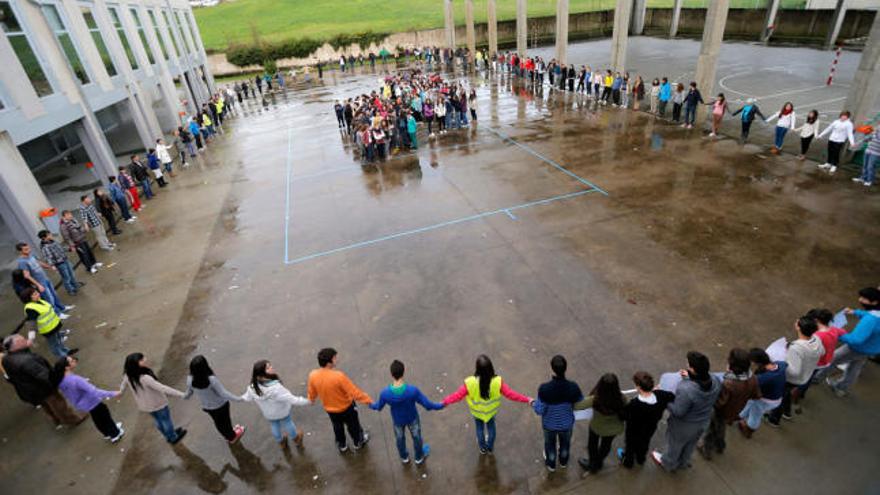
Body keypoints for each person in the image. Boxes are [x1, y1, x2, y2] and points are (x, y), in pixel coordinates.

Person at [443, 354, 532, 454]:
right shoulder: (498, 382)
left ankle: (482, 448)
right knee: (491, 429)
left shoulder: (469, 382)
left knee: (479, 429)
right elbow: (512, 395)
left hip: (477, 413)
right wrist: (527, 399)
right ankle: (490, 448)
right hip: (491, 412)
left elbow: (457, 395)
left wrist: (445, 402)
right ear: (491, 367)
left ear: (477, 368)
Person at [651, 351, 721, 472]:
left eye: (689, 365)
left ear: (693, 369)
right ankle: (683, 462)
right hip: (703, 421)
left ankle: (668, 462)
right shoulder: (715, 380)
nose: (687, 366)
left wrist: (663, 398)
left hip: (684, 426)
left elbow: (678, 411)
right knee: (690, 444)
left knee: (674, 445)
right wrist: (690, 377)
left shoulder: (686, 389)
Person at [2, 334, 86, 427]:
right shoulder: (27, 360)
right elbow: (44, 375)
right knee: (58, 403)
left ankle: (56, 420)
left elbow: (11, 376)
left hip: (29, 390)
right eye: (23, 340)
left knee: (46, 405)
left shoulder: (6, 358)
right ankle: (72, 419)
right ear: (17, 345)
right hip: (42, 388)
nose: (26, 340)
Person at [370, 360, 443, 464]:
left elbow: (378, 407)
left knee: (400, 439)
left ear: (391, 374)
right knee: (417, 437)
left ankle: (404, 457)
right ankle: (418, 457)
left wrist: (369, 403)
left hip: (397, 421)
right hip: (412, 418)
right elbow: (428, 405)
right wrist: (441, 404)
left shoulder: (385, 393)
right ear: (403, 372)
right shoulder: (412, 390)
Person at [697, 348, 760, 460]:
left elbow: (720, 403)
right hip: (737, 409)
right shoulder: (753, 378)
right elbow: (756, 395)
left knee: (712, 430)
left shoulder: (728, 383)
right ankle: (720, 446)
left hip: (722, 412)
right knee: (721, 427)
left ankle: (706, 449)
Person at [307, 348, 373, 452]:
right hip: (347, 408)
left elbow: (312, 392)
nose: (337, 359)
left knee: (337, 427)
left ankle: (342, 445)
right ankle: (358, 442)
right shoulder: (338, 376)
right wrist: (367, 400)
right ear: (330, 362)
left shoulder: (313, 375)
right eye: (335, 358)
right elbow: (354, 392)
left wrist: (311, 399)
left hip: (330, 410)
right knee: (354, 426)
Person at [822, 287, 880, 397]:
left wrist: (836, 333)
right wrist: (855, 312)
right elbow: (872, 313)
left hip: (858, 348)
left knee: (832, 358)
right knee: (855, 367)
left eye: (864, 299)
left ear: (875, 302)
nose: (860, 300)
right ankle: (841, 387)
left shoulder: (871, 320)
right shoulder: (875, 314)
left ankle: (816, 378)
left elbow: (855, 340)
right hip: (873, 348)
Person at [766, 316, 823, 425]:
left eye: (798, 322)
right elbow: (822, 352)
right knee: (787, 394)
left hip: (792, 379)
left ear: (798, 327)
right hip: (806, 375)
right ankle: (787, 412)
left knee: (781, 396)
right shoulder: (817, 339)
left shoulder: (796, 348)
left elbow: (793, 371)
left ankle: (774, 419)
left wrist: (777, 364)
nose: (796, 321)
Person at [54, 354, 125, 443]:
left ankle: (107, 433)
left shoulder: (61, 380)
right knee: (104, 416)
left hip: (82, 404)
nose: (74, 360)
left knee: (97, 418)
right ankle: (115, 433)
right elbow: (95, 391)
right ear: (66, 368)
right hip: (92, 401)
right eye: (71, 361)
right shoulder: (75, 380)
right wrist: (113, 394)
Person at [120, 353, 187, 444]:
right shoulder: (145, 378)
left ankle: (168, 435)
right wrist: (181, 394)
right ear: (137, 364)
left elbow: (123, 386)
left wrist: (120, 392)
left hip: (145, 406)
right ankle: (173, 437)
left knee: (158, 420)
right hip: (158, 403)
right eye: (142, 359)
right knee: (165, 420)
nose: (145, 359)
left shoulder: (128, 374)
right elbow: (163, 388)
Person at [531, 355, 583, 472]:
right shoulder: (573, 387)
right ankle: (563, 462)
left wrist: (534, 403)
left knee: (550, 446)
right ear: (566, 368)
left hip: (549, 426)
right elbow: (580, 402)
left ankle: (551, 465)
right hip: (566, 424)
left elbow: (539, 410)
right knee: (565, 445)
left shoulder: (544, 389)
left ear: (552, 369)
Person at [242, 360, 308, 447]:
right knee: (288, 422)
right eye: (268, 368)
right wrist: (308, 401)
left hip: (268, 413)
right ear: (262, 373)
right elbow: (292, 399)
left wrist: (237, 398)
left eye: (270, 366)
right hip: (282, 411)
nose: (271, 367)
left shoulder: (252, 387)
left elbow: (246, 398)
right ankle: (296, 438)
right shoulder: (276, 388)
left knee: (274, 425)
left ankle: (281, 442)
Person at [184, 355, 246, 444]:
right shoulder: (211, 379)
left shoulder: (190, 379)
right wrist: (239, 399)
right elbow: (223, 393)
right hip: (221, 405)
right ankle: (232, 437)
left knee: (218, 423)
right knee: (226, 421)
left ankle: (227, 435)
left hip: (207, 407)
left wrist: (184, 396)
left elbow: (189, 392)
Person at [617, 372, 674, 468]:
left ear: (638, 387)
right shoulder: (661, 396)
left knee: (630, 446)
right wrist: (657, 391)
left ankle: (628, 462)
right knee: (645, 443)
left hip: (634, 431)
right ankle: (641, 459)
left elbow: (623, 416)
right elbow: (671, 396)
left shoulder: (635, 404)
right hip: (650, 428)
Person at [576, 373, 626, 474]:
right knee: (606, 445)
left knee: (592, 445)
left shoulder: (595, 399)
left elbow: (577, 406)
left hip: (597, 428)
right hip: (614, 429)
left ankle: (592, 464)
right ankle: (599, 462)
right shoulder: (622, 398)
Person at [737, 349, 787, 437]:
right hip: (776, 397)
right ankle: (741, 415)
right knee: (750, 403)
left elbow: (747, 386)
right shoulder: (780, 364)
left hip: (765, 401)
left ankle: (749, 430)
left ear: (757, 363)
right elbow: (786, 364)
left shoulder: (763, 378)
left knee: (755, 415)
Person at [16, 242, 71, 317]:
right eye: (26, 249)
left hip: (45, 279)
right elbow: (27, 276)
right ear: (20, 251)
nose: (28, 250)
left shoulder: (31, 255)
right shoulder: (22, 262)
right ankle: (57, 314)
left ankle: (62, 308)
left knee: (54, 294)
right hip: (40, 283)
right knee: (49, 299)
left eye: (28, 248)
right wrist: (38, 285)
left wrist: (50, 266)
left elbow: (39, 263)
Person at [20, 287, 72, 358]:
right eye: (35, 294)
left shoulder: (39, 301)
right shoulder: (30, 309)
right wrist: (31, 338)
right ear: (29, 298)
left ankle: (66, 351)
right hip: (48, 330)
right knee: (54, 345)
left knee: (59, 340)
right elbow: (32, 323)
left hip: (55, 325)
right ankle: (63, 357)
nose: (38, 294)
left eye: (37, 292)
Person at [38, 230, 81, 297]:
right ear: (44, 237)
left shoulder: (53, 241)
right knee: (66, 278)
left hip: (65, 260)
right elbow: (48, 257)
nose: (51, 235)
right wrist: (52, 265)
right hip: (60, 264)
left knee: (71, 273)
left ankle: (75, 285)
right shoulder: (45, 247)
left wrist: (69, 249)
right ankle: (70, 290)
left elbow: (61, 248)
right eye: (49, 235)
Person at [60, 210, 100, 274]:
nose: (71, 215)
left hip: (83, 239)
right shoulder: (63, 226)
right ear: (64, 217)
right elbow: (66, 237)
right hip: (77, 243)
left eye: (70, 214)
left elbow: (80, 228)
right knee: (84, 255)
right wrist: (72, 245)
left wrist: (85, 229)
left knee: (89, 251)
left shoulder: (73, 220)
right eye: (68, 215)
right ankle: (89, 268)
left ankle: (94, 263)